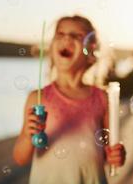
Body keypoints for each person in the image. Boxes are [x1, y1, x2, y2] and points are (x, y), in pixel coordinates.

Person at [13, 15, 126, 184]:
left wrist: (117, 155)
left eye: (76, 36)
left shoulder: (102, 98)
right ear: (51, 49)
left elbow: (110, 151)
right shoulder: (38, 98)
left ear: (90, 52)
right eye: (60, 34)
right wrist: (29, 136)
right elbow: (20, 159)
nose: (66, 38)